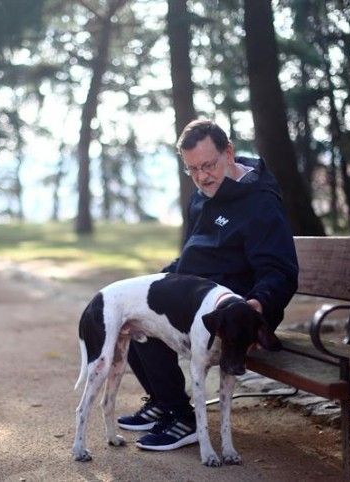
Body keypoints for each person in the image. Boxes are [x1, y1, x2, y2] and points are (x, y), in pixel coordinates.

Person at [118, 119, 299, 451]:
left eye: (208, 165)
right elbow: (190, 256)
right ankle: (163, 401)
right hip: (195, 296)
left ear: (228, 153)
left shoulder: (260, 202)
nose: (201, 176)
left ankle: (182, 417)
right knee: (131, 306)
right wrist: (157, 279)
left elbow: (281, 272)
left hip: (238, 310)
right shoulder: (199, 198)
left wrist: (258, 305)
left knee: (155, 318)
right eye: (192, 169)